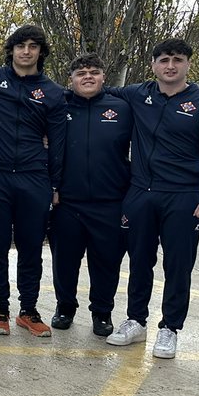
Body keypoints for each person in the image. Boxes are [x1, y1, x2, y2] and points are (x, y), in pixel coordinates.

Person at [105, 39, 199, 358]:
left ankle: (169, 328)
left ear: (188, 63)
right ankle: (135, 321)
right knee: (140, 261)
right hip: (141, 195)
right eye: (163, 60)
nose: (170, 66)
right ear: (153, 64)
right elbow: (92, 92)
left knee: (178, 265)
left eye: (177, 59)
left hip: (183, 197)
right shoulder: (139, 94)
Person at [0, 24, 67, 336]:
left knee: (31, 247)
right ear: (11, 49)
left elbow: (59, 144)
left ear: (40, 52)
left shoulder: (51, 92)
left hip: (33, 178)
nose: (26, 51)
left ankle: (29, 310)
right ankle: (0, 309)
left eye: (33, 46)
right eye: (20, 45)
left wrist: (55, 185)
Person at [46, 54, 131, 336]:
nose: (88, 77)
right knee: (65, 261)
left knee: (106, 262)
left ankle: (102, 313)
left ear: (104, 77)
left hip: (110, 201)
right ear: (71, 79)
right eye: (81, 73)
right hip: (67, 202)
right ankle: (65, 307)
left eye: (94, 72)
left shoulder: (121, 107)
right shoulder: (59, 107)